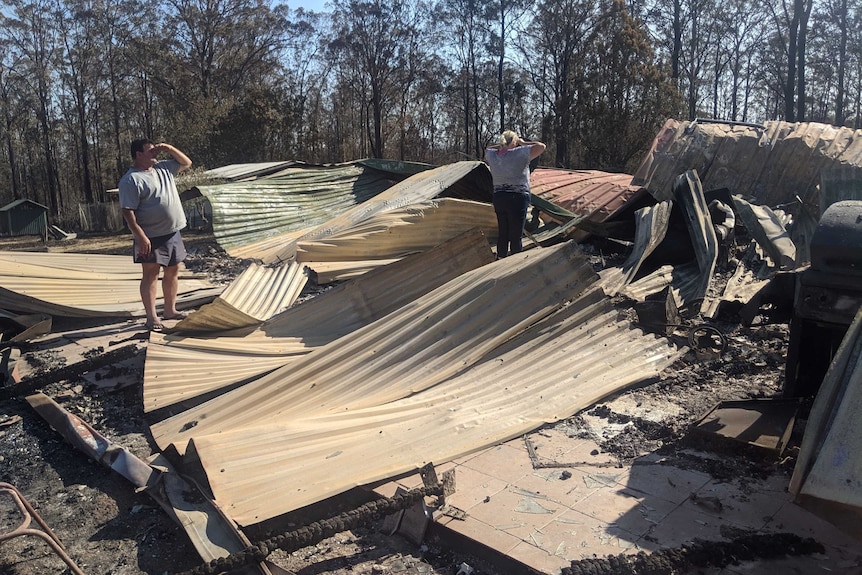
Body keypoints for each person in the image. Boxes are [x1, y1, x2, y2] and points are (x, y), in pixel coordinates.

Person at [118, 139, 193, 331]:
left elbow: (187, 163)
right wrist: (141, 236)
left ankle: (170, 310)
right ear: (138, 155)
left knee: (173, 271)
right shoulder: (131, 179)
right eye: (150, 151)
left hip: (172, 231)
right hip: (149, 236)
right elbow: (128, 211)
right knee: (150, 275)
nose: (155, 154)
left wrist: (169, 147)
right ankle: (151, 318)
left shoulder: (163, 168)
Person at [485, 130, 546, 258]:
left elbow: (488, 148)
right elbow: (541, 146)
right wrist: (522, 143)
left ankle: (500, 258)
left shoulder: (494, 155)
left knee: (503, 233)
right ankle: (515, 261)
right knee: (515, 235)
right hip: (517, 197)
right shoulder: (520, 153)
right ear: (515, 141)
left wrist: (502, 146)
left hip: (499, 196)